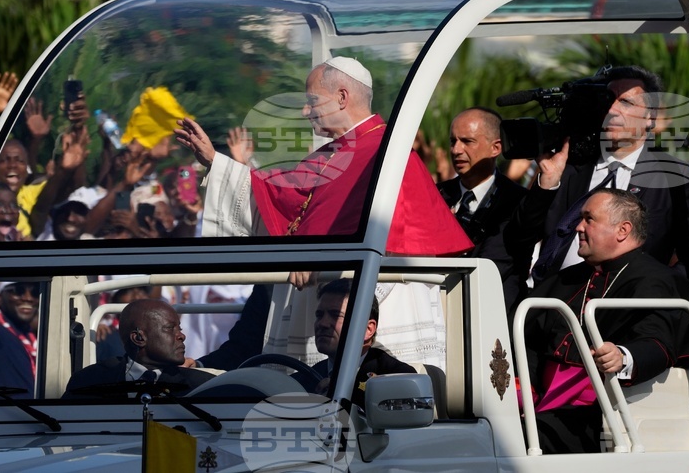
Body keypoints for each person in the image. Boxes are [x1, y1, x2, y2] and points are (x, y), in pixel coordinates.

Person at [176, 58, 471, 368]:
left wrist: (318, 256)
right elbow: (279, 196)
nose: (306, 111)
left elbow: (393, 231)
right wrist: (216, 162)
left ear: (341, 97)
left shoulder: (388, 150)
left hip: (380, 302)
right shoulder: (330, 154)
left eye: (312, 100)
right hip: (323, 297)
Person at [524, 189, 689, 454]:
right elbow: (529, 339)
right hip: (541, 401)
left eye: (589, 219)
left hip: (605, 412)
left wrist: (622, 356)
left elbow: (658, 337)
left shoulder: (657, 280)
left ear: (622, 230)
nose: (578, 227)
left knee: (521, 436)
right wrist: (522, 389)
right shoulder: (564, 279)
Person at [532, 66, 689, 293]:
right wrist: (545, 186)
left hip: (631, 306)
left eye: (626, 102)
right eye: (608, 100)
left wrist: (651, 292)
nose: (612, 110)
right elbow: (520, 238)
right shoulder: (568, 167)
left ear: (650, 117)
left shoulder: (673, 177)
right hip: (554, 301)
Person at [436, 108, 565, 313]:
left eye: (467, 141)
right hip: (437, 311)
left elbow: (526, 229)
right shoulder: (433, 196)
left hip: (493, 315)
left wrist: (548, 179)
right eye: (453, 141)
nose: (456, 150)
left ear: (495, 148)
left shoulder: (516, 200)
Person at [65, 299, 211, 397]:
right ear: (139, 338)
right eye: (169, 329)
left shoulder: (203, 387)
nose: (182, 336)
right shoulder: (88, 382)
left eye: (180, 329)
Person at [306, 279, 413, 407]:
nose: (322, 323)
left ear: (368, 329)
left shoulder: (398, 378)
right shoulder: (305, 378)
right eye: (319, 315)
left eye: (335, 315)